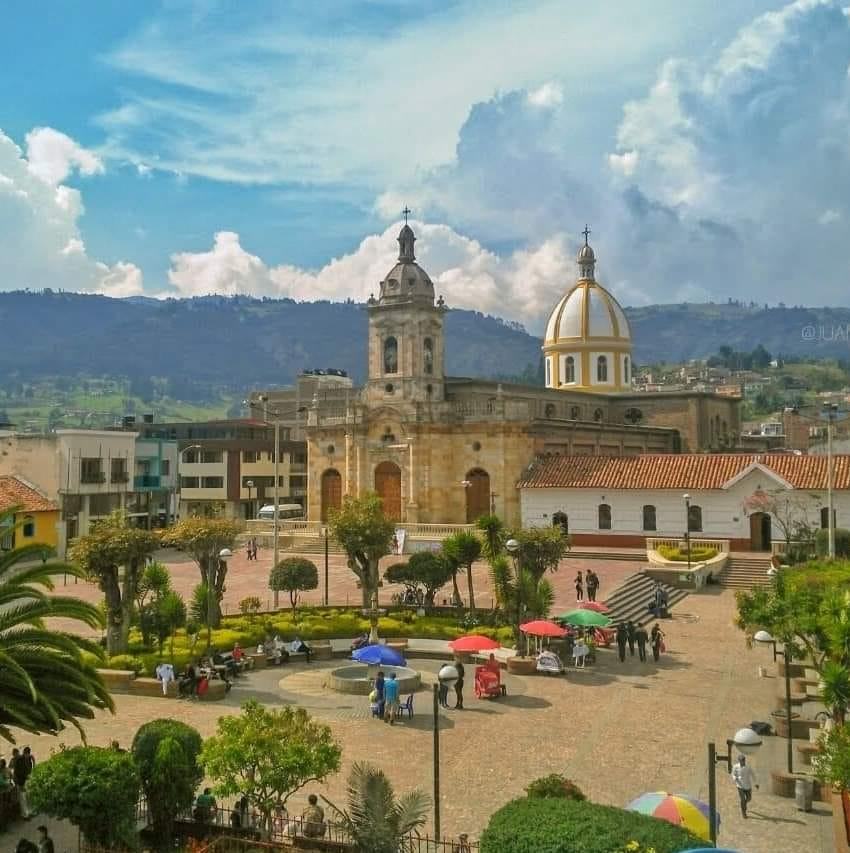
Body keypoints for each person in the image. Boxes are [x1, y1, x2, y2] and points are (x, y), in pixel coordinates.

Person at [11, 747, 31, 819]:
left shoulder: (28, 759)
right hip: (21, 782)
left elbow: (29, 768)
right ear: (24, 753)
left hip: (26, 780)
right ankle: (25, 815)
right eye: (26, 754)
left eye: (28, 754)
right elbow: (17, 772)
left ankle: (28, 812)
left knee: (27, 798)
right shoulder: (19, 760)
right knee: (23, 799)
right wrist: (20, 782)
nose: (27, 756)